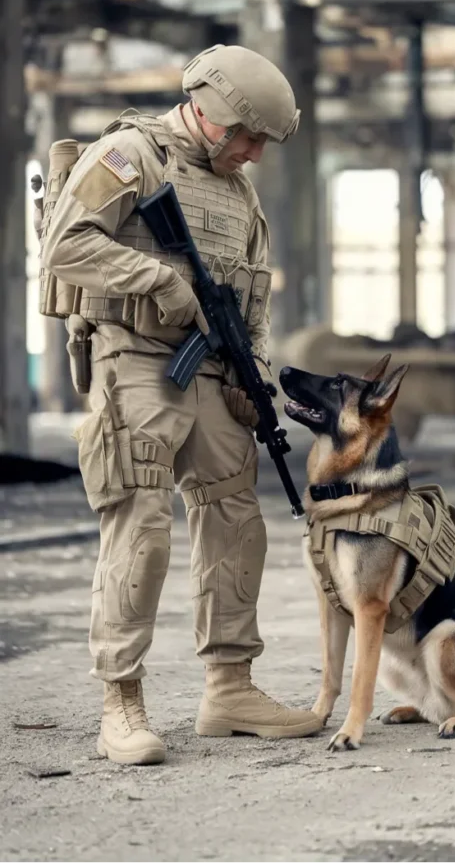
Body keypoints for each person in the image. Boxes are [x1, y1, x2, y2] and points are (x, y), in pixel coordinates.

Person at [41, 45, 322, 765]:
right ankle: (122, 701)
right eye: (249, 137)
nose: (256, 153)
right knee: (141, 529)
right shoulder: (130, 155)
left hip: (213, 374)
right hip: (134, 361)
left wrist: (253, 374)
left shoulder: (238, 192)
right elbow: (64, 247)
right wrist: (158, 281)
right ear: (212, 112)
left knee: (235, 521)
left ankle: (230, 688)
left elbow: (251, 296)